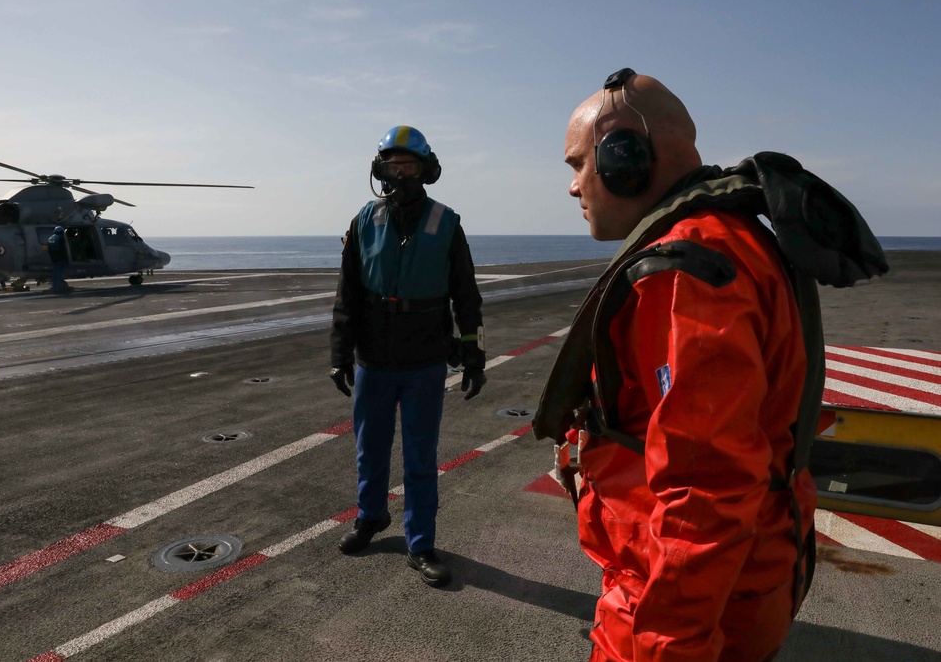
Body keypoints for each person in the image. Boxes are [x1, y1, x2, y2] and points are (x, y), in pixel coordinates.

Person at [534, 68, 886, 662]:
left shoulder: (686, 272)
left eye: (577, 165)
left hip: (679, 607)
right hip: (734, 585)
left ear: (625, 158)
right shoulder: (731, 239)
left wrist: (663, 646)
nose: (573, 187)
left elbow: (706, 489)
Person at [329, 125, 486, 588]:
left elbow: (467, 297)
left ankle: (420, 545)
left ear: (425, 170)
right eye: (393, 166)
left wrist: (474, 356)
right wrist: (339, 353)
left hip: (424, 360)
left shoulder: (447, 223)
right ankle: (371, 517)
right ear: (380, 170)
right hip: (373, 358)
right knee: (369, 448)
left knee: (420, 457)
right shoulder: (364, 221)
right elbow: (347, 294)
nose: (400, 175)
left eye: (409, 166)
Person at [46, 226, 69, 293]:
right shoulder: (60, 238)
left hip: (53, 258)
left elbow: (49, 250)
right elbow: (63, 249)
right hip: (60, 258)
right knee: (59, 273)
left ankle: (55, 287)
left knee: (55, 273)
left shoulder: (50, 238)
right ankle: (58, 288)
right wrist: (66, 258)